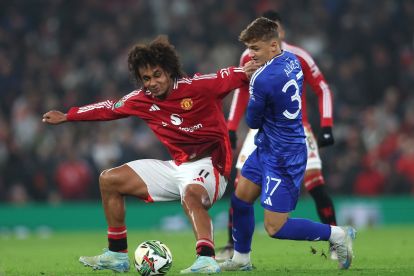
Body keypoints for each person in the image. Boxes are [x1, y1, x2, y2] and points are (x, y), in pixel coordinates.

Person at [42, 35, 258, 274]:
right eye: (146, 78)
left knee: (190, 195)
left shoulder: (198, 87)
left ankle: (206, 259)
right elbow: (108, 108)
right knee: (109, 179)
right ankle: (116, 254)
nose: (152, 83)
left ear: (169, 71)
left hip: (212, 166)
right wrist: (68, 115)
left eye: (157, 75)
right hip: (178, 167)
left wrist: (251, 67)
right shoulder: (141, 99)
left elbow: (236, 75)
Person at [218, 17, 356, 271]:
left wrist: (252, 83)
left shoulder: (262, 79)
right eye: (249, 49)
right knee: (240, 200)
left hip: (283, 156)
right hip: (269, 147)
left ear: (273, 46)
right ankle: (241, 258)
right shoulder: (292, 60)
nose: (250, 55)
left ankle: (338, 234)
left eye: (256, 49)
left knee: (275, 227)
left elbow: (253, 119)